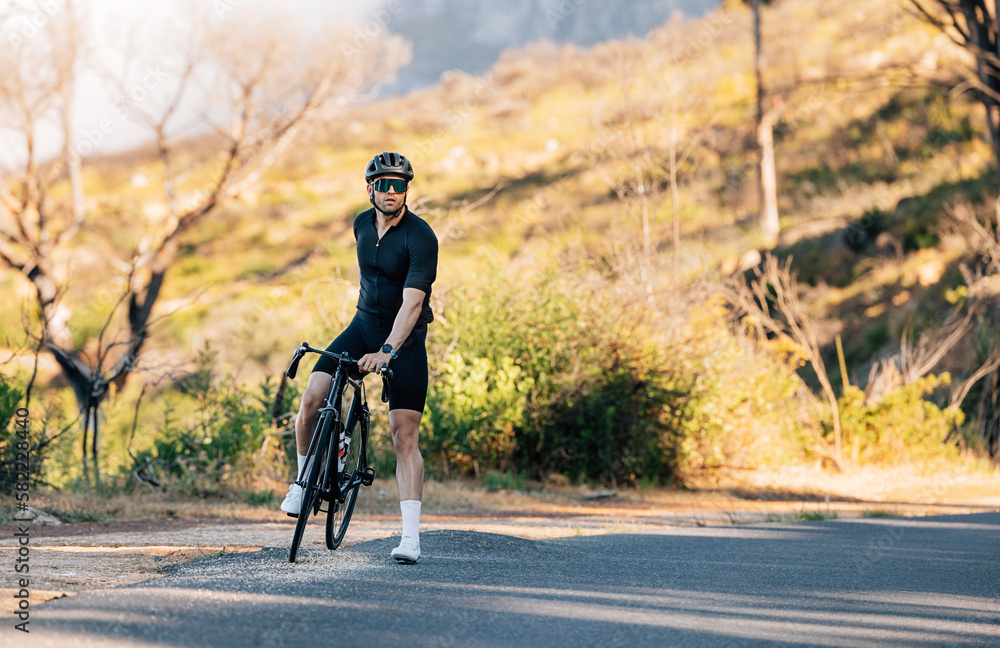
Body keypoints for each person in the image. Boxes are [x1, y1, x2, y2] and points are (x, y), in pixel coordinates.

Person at [281, 151, 438, 564]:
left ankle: (410, 539)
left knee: (404, 436)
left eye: (399, 185)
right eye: (383, 184)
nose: (391, 191)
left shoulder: (420, 238)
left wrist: (388, 350)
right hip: (361, 326)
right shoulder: (361, 225)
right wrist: (370, 341)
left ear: (407, 190)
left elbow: (412, 303)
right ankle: (302, 483)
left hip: (403, 339)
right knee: (312, 398)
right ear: (370, 188)